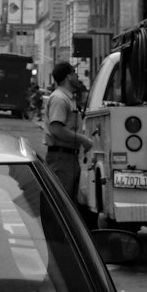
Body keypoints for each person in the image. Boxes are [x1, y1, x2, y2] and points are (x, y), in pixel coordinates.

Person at [43, 61, 93, 201]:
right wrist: (83, 140)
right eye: (74, 74)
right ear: (68, 77)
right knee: (61, 202)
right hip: (61, 159)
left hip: (69, 158)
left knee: (69, 202)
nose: (78, 77)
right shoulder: (59, 99)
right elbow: (56, 130)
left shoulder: (68, 99)